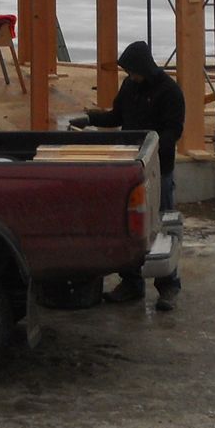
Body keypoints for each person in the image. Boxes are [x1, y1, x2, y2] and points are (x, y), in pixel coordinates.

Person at [86, 41, 185, 310]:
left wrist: (149, 150)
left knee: (161, 227)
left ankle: (168, 287)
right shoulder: (130, 87)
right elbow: (116, 116)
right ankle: (131, 283)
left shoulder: (169, 92)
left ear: (145, 67)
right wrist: (91, 119)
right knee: (129, 228)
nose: (131, 76)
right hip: (129, 170)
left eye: (133, 71)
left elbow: (173, 132)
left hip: (158, 169)